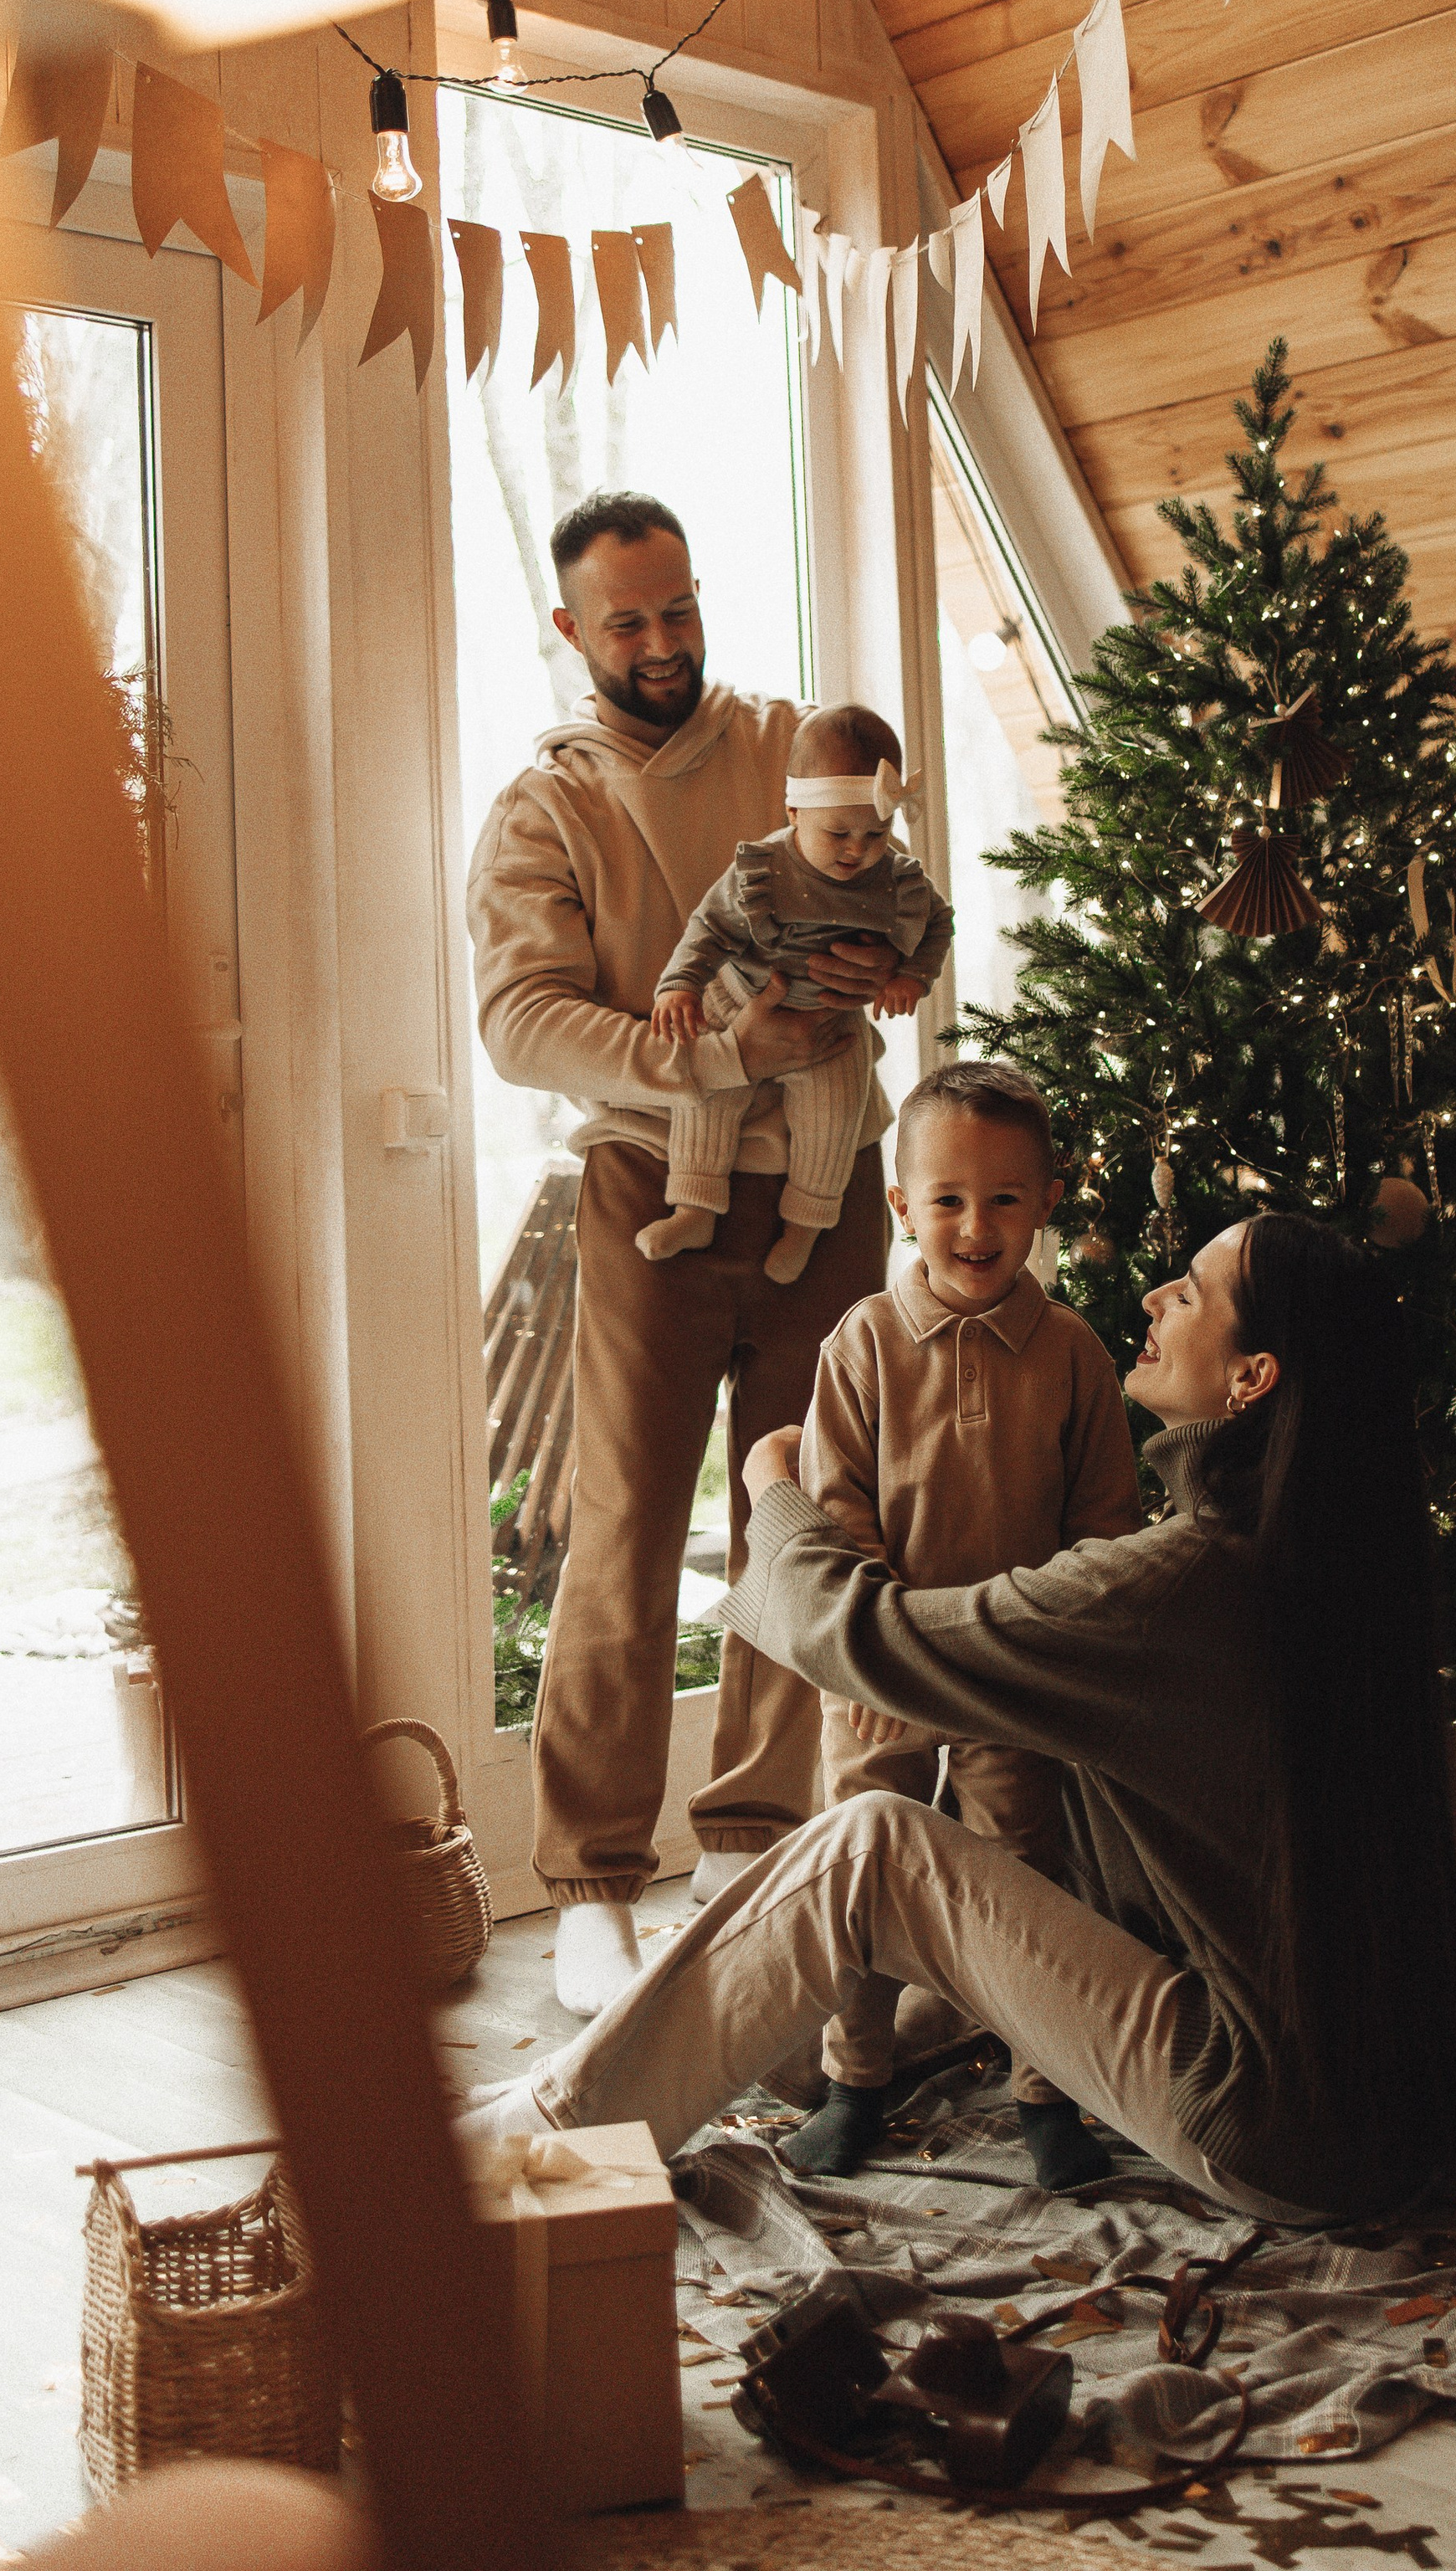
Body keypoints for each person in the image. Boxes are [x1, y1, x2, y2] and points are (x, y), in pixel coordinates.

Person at [463, 1209, 1456, 2221]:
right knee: (1004, 1818)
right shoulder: (1330, 1562)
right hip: (1404, 2123)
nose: (1154, 1296)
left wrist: (773, 1488)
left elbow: (869, 1637)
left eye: (1193, 1289)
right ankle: (769, 2059)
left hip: (1269, 2126)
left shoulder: (1185, 1583)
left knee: (870, 1847)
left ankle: (540, 2126)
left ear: (1252, 1378)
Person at [467, 491, 898, 2020]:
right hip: (650, 1188)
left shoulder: (800, 747)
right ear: (573, 632)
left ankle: (763, 1843)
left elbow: (913, 908)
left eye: (676, 608)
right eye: (626, 620)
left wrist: (889, 968)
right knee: (624, 1531)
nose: (660, 642)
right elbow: (521, 1023)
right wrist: (724, 1051)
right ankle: (592, 1885)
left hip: (834, 1189)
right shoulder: (546, 808)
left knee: (805, 1520)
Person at [782, 1059, 1141, 2187]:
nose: (974, 1227)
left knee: (1025, 1876)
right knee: (865, 1872)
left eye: (1002, 1200)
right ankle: (857, 2077)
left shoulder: (1075, 1353)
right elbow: (835, 1509)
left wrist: (1053, 1639)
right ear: (903, 1208)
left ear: (1046, 1203)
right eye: (945, 1199)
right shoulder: (863, 1344)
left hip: (1013, 1672)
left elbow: (1104, 1524)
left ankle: (1046, 2092)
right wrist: (875, 1633)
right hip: (884, 1666)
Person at [649, 705, 952, 1286]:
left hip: (832, 1024)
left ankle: (805, 1229)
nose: (856, 850)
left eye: (875, 833)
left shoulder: (895, 880)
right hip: (739, 999)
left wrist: (912, 976)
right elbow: (707, 929)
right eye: (837, 833)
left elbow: (938, 925)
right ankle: (693, 1207)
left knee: (834, 1121)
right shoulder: (764, 870)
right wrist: (680, 986)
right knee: (707, 1094)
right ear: (794, 810)